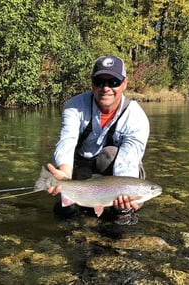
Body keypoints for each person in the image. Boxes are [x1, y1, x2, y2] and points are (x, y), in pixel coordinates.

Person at [46, 55, 150, 224]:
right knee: (65, 214)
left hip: (114, 171)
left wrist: (125, 198)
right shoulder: (74, 106)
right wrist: (64, 176)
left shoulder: (136, 117)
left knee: (122, 214)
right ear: (92, 83)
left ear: (125, 83)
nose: (106, 88)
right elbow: (67, 141)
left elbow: (129, 159)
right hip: (82, 170)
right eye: (99, 81)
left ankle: (120, 212)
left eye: (114, 82)